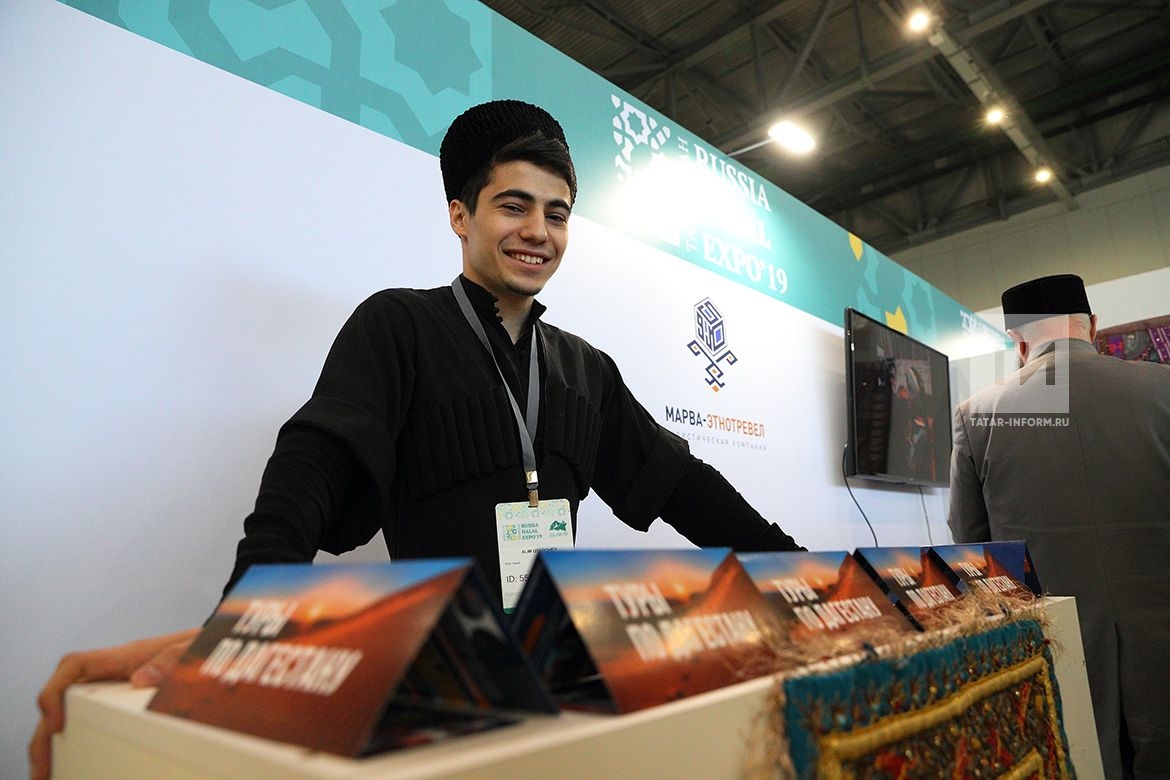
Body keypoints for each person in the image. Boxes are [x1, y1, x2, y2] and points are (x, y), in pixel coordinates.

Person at [30, 99, 802, 779]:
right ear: (460, 215)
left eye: (557, 213)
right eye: (513, 206)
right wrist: (242, 624)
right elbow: (311, 471)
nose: (538, 232)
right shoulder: (397, 327)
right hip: (438, 695)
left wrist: (802, 579)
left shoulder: (585, 370)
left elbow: (683, 487)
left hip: (565, 687)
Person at [947, 274, 1170, 779]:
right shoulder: (1163, 388)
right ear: (1092, 325)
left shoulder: (977, 416)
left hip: (1059, 661)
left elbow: (972, 550)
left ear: (1019, 342)